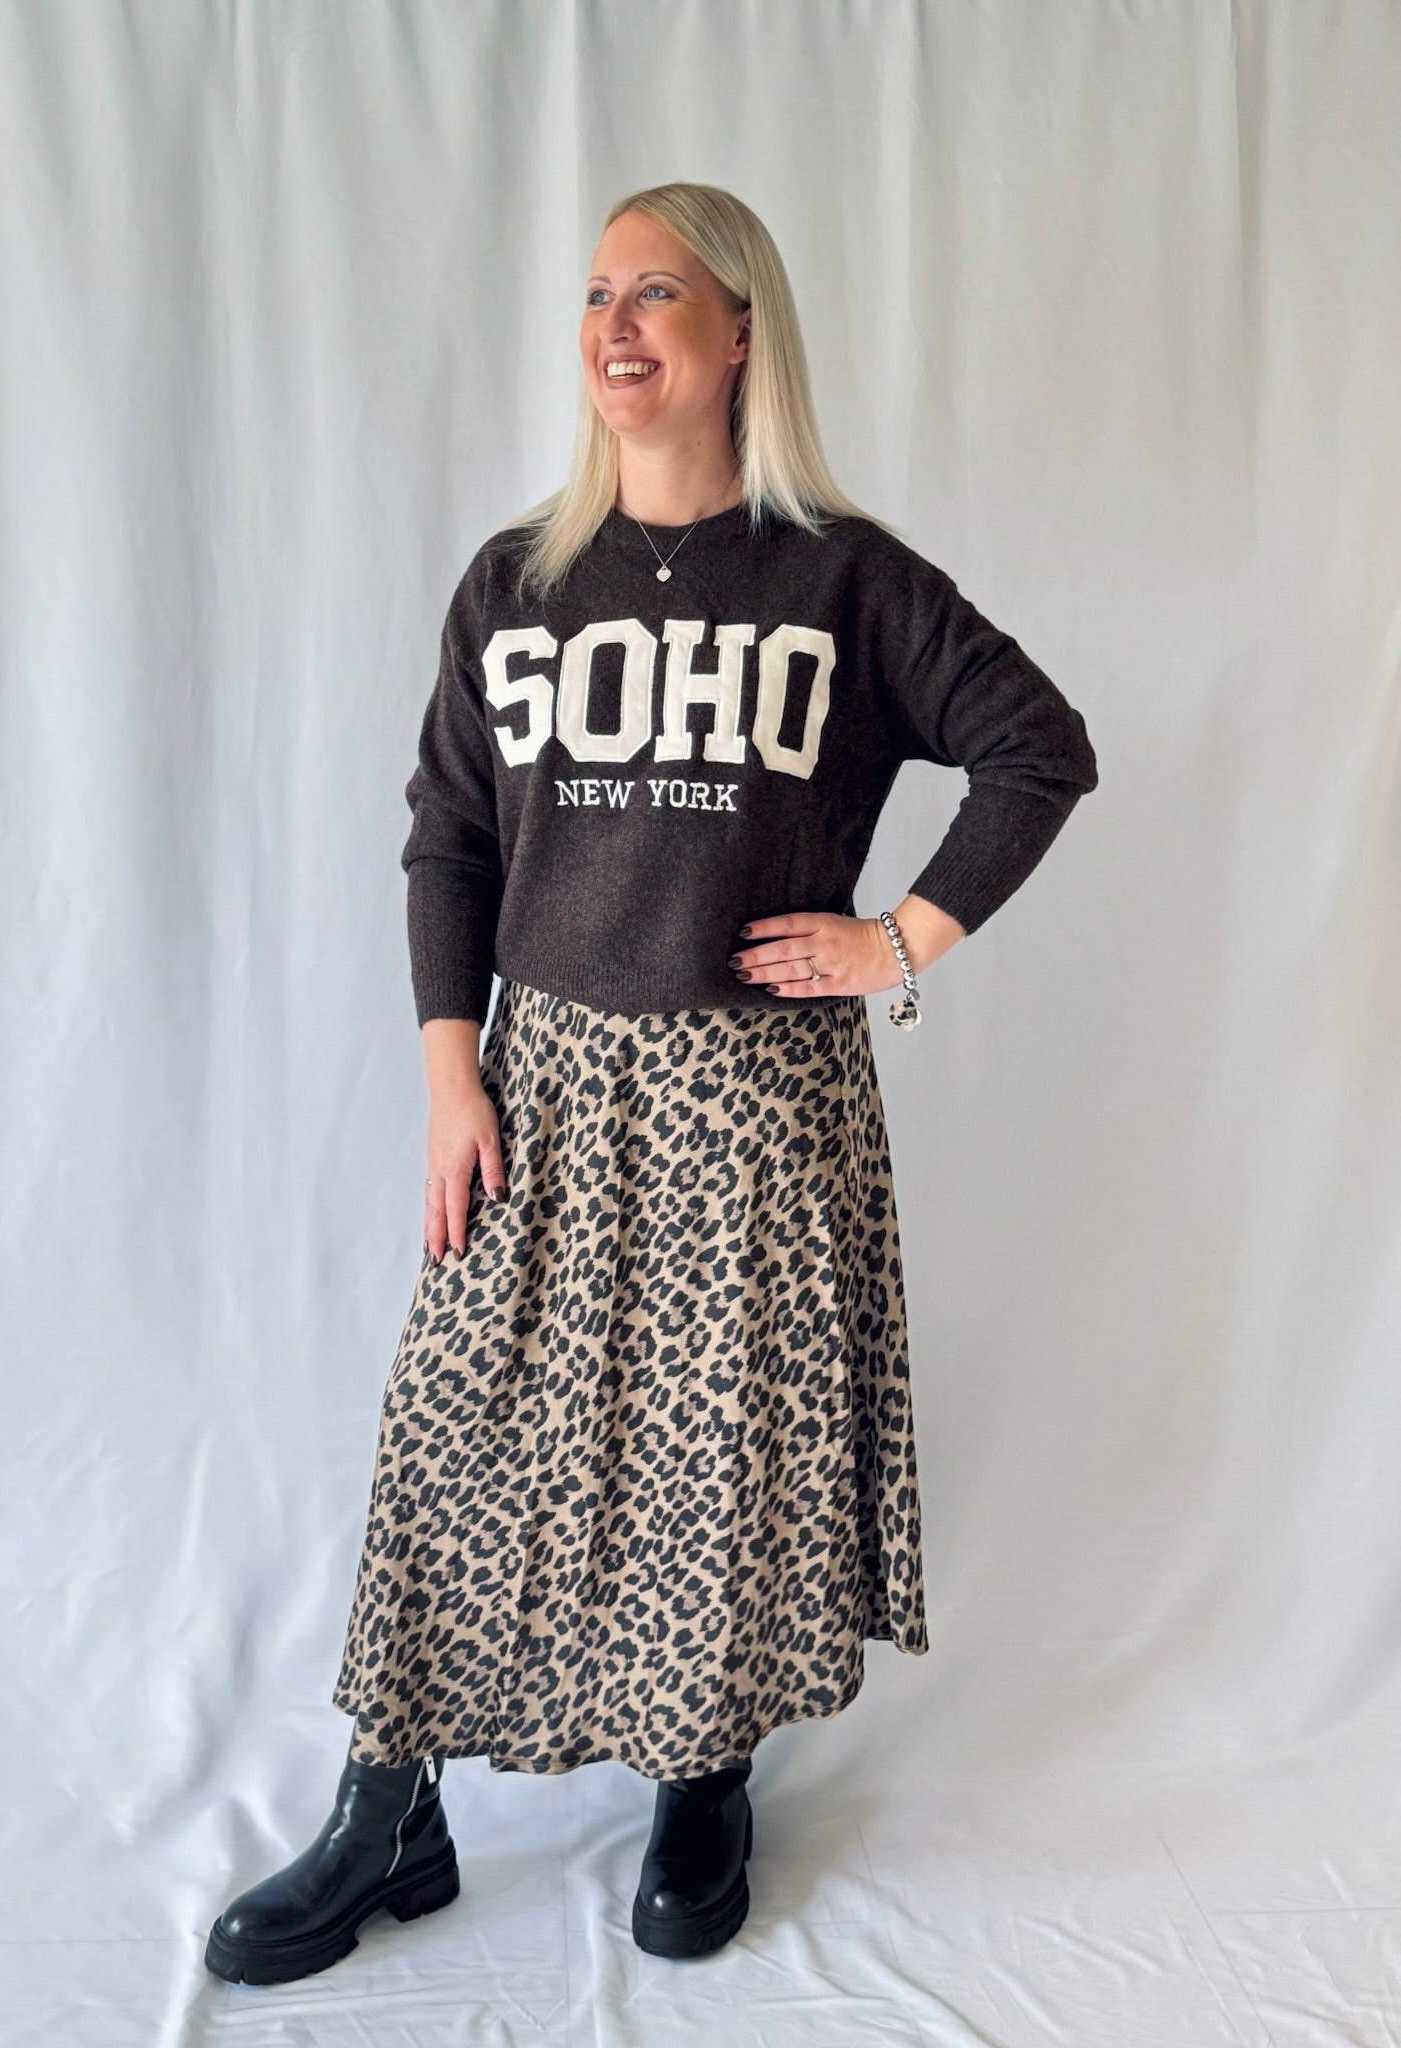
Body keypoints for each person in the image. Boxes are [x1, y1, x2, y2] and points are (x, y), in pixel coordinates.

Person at [205, 180, 1099, 1986]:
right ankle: (390, 1805)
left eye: (659, 294)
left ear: (740, 333)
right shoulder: (519, 584)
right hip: (541, 1082)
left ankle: (703, 1779)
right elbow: (450, 838)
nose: (615, 327)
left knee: (723, 1453)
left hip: (756, 1101)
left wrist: (899, 940)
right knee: (457, 1427)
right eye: (598, 294)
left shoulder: (842, 579)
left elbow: (1039, 748)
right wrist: (453, 1075)